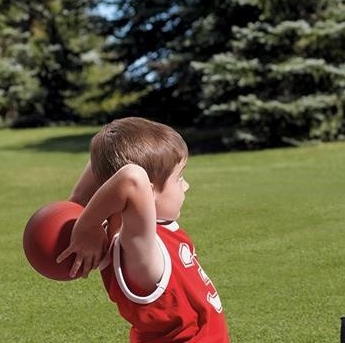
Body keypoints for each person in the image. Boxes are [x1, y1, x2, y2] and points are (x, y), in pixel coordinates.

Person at [58, 117, 229, 343]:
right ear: (148, 192)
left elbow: (115, 176)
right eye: (178, 178)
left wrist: (81, 200)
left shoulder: (142, 231)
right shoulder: (138, 246)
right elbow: (132, 178)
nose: (186, 185)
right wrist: (86, 226)